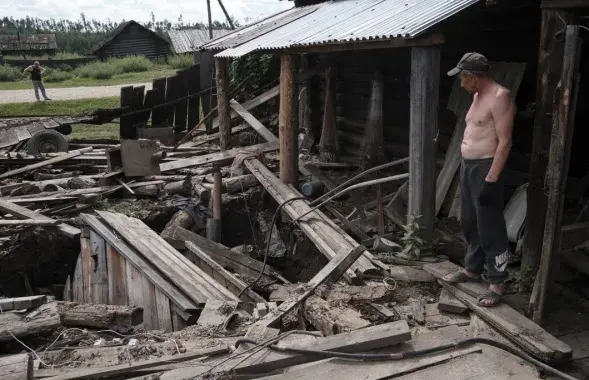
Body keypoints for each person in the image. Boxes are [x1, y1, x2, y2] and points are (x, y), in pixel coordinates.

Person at [443, 52, 516, 307]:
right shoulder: (476, 96)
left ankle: (497, 282)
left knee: (490, 226)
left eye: (462, 79)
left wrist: (492, 178)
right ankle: (472, 269)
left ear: (472, 76)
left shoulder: (500, 97)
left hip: (486, 168)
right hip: (468, 166)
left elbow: (505, 142)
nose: (460, 84)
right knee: (469, 221)